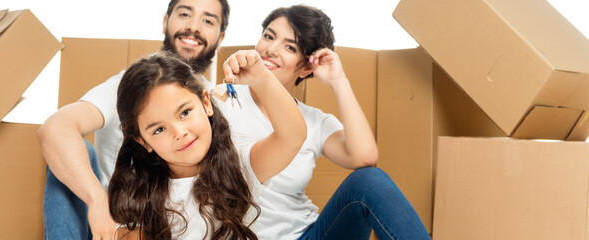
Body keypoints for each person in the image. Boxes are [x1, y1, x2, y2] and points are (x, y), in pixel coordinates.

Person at [210, 5, 431, 239]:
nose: (271, 50)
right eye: (269, 36)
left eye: (290, 47)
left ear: (305, 67)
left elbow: (364, 157)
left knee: (369, 181)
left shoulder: (313, 120)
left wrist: (339, 81)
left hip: (308, 235)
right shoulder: (223, 98)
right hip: (240, 234)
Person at [37, 0, 229, 239]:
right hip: (108, 225)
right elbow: (56, 128)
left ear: (221, 38)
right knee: (75, 149)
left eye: (208, 20)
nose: (194, 27)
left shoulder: (218, 104)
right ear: (165, 21)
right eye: (184, 14)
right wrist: (97, 201)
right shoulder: (128, 87)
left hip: (174, 228)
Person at [108, 51, 305, 239]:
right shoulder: (139, 195)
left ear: (206, 103)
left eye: (185, 113)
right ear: (143, 142)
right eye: (159, 129)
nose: (180, 133)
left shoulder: (241, 164)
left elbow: (292, 137)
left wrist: (261, 78)